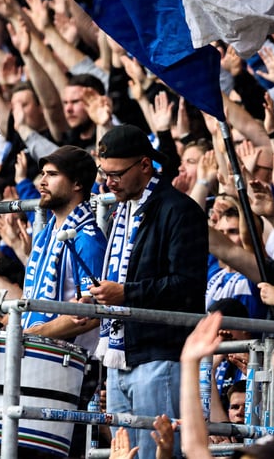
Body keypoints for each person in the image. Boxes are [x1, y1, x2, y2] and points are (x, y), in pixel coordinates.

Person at [89, 124, 208, 459]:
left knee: (159, 454)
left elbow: (187, 286)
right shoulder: (122, 210)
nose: (108, 183)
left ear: (144, 165)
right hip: (121, 354)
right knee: (123, 455)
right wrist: (101, 294)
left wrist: (126, 293)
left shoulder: (179, 210)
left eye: (116, 174)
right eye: (104, 173)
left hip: (161, 356)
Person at [21, 145, 107, 351]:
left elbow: (93, 314)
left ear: (77, 183)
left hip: (69, 365)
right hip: (37, 356)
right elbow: (28, 303)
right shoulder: (44, 236)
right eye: (42, 174)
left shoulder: (87, 239)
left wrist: (26, 336)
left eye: (52, 175)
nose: (42, 182)